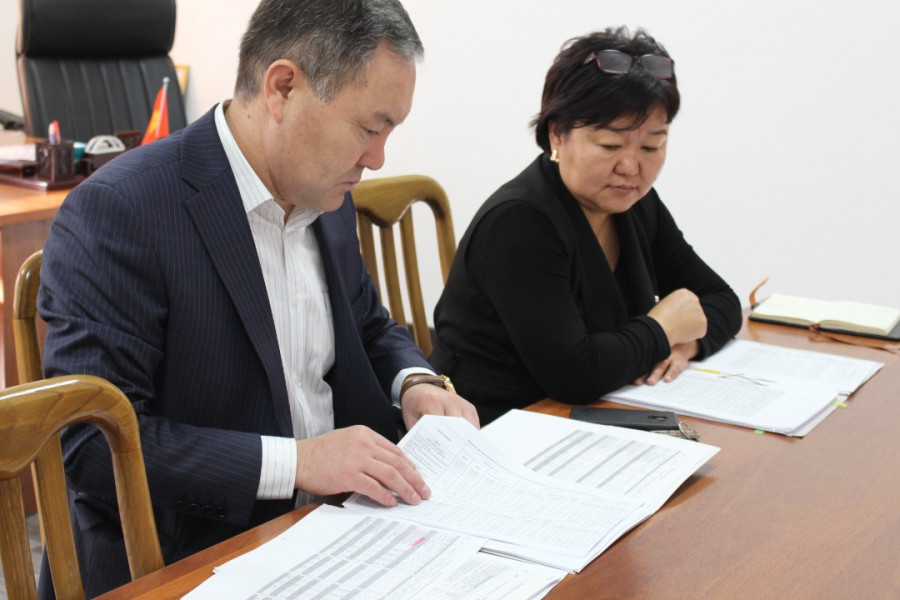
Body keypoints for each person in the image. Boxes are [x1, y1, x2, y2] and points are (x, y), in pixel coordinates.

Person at [37, 0, 477, 596]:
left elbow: (367, 323)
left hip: (342, 533)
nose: (377, 159)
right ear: (283, 87)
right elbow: (94, 446)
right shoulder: (121, 210)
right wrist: (299, 462)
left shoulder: (325, 191)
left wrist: (415, 383)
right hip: (192, 558)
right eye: (370, 129)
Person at [431, 27, 742, 425]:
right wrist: (664, 330)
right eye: (610, 145)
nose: (631, 167)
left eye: (652, 146)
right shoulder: (518, 222)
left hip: (585, 418)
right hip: (494, 427)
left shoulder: (634, 204)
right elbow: (574, 374)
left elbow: (722, 300)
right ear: (556, 135)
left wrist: (686, 344)